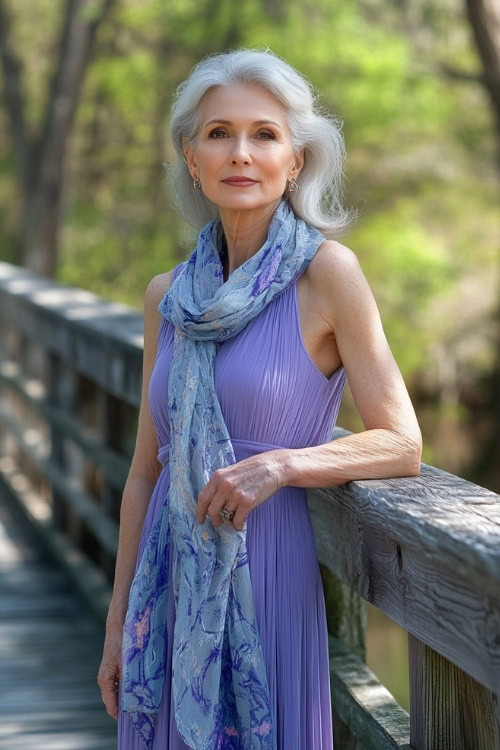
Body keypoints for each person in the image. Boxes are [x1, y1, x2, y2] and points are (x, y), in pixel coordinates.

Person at [97, 47, 422, 750]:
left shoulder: (329, 276)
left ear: (296, 160)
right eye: (218, 133)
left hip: (269, 572)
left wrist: (283, 465)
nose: (240, 153)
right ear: (192, 157)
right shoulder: (168, 298)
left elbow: (402, 443)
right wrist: (120, 621)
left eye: (264, 134)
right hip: (170, 587)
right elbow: (145, 472)